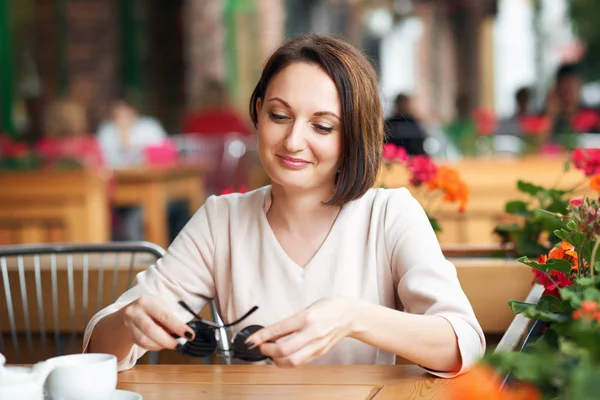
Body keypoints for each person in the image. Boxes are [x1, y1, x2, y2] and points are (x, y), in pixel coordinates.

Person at [84, 34, 484, 376]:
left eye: (322, 126)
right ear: (258, 113)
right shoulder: (221, 221)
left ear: (353, 135)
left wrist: (351, 317)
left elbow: (462, 342)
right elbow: (97, 350)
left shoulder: (389, 215)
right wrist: (129, 321)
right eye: (279, 115)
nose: (293, 141)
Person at [97, 95, 167, 167]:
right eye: (118, 116)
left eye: (126, 115)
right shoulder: (107, 131)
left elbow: (162, 151)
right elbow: (105, 158)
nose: (123, 119)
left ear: (134, 112)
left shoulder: (150, 126)